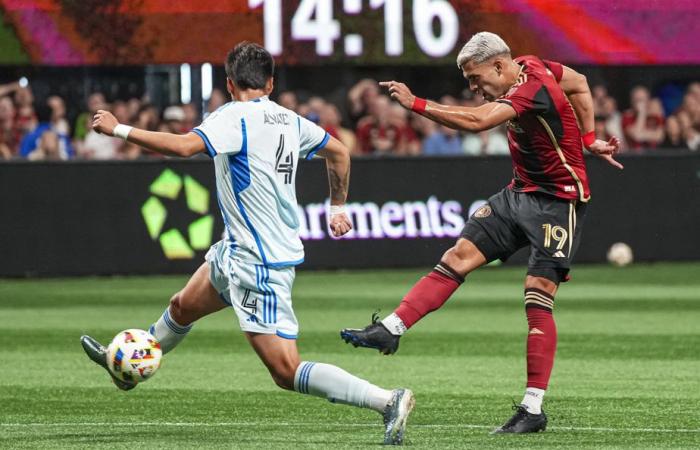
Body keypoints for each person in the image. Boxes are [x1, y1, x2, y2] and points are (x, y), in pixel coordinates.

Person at [80, 42, 414, 445]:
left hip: (258, 263)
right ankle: (127, 367)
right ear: (270, 82)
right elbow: (340, 151)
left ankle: (386, 400)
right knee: (181, 307)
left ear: (228, 83)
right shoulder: (290, 120)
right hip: (236, 251)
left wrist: (117, 128)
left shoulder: (233, 116)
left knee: (286, 371)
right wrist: (337, 207)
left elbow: (185, 147)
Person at [340, 32, 622, 434]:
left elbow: (477, 122)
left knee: (537, 295)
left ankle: (532, 409)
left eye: (476, 79)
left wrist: (416, 104)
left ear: (499, 66)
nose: (474, 88)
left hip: (559, 202)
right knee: (457, 256)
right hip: (519, 192)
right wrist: (590, 138)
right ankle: (391, 329)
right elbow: (577, 81)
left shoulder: (531, 87)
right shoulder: (533, 64)